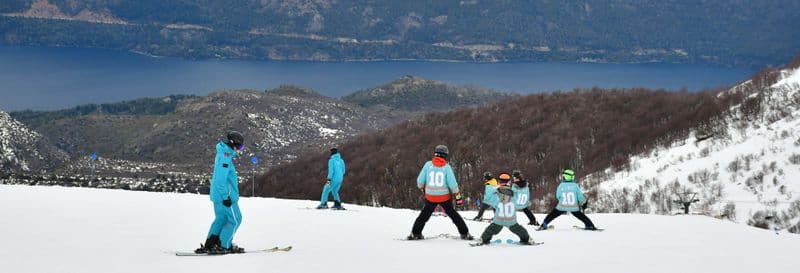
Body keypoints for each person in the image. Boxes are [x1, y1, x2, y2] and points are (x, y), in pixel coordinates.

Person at [407, 145, 474, 240]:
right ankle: (465, 233)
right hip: (444, 197)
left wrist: (423, 189)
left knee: (424, 216)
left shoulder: (428, 165)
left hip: (430, 197)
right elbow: (453, 184)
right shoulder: (447, 167)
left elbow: (420, 181)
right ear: (445, 155)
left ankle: (415, 233)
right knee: (454, 215)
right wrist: (458, 197)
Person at [196, 131, 245, 254]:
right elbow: (220, 180)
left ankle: (211, 243)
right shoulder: (226, 157)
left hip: (218, 196)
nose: (240, 149)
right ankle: (224, 245)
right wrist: (226, 197)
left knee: (221, 219)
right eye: (240, 146)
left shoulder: (223, 154)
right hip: (225, 197)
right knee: (236, 219)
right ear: (233, 144)